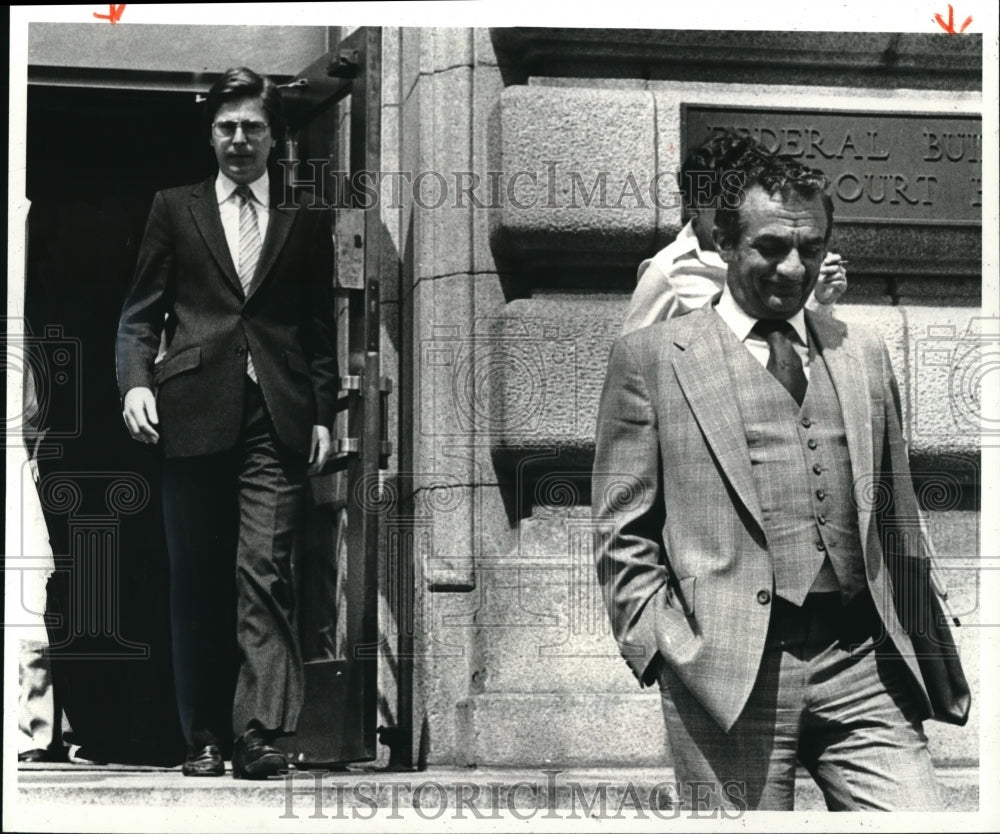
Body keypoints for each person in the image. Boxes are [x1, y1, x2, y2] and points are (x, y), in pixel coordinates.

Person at [592, 153, 952, 810]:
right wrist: (661, 645)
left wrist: (919, 618)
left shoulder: (860, 350)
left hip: (862, 665)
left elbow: (895, 506)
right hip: (728, 673)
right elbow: (623, 524)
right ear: (724, 242)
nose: (794, 269)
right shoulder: (651, 359)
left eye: (811, 248)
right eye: (772, 247)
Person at [117, 67, 338, 779]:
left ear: (275, 137)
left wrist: (325, 411)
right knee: (198, 580)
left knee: (264, 571)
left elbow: (316, 331)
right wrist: (134, 386)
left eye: (252, 128)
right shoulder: (173, 209)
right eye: (226, 128)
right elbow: (137, 317)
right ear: (211, 134)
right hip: (188, 413)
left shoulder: (305, 218)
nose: (238, 140)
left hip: (275, 416)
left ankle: (259, 732)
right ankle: (204, 734)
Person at [622, 132, 847, 333]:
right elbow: (635, 358)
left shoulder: (791, 257)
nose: (740, 215)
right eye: (728, 203)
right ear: (695, 204)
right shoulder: (668, 271)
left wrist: (821, 299)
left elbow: (800, 339)